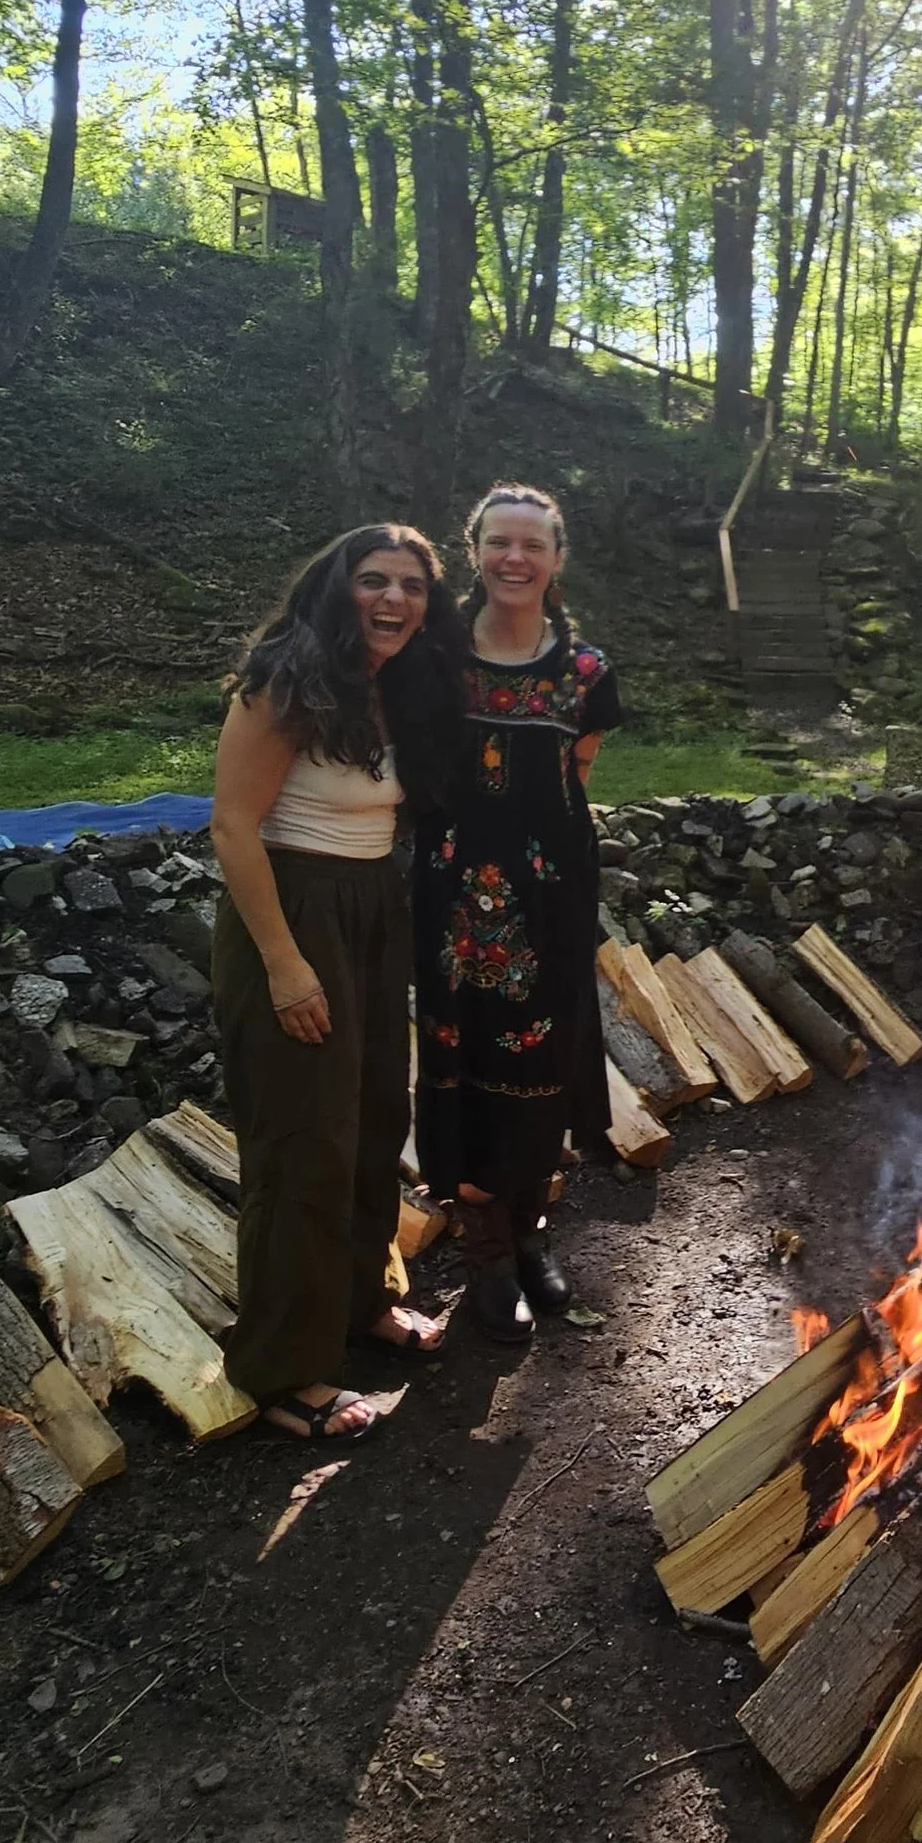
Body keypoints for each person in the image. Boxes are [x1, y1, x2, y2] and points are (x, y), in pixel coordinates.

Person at [209, 523, 466, 1441]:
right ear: (335, 587)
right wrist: (284, 965)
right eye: (373, 580)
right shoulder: (287, 676)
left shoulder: (393, 687)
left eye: (411, 585)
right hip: (293, 908)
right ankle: (283, 1369)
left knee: (369, 1123)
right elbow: (234, 825)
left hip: (370, 906)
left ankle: (361, 1304)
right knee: (302, 1140)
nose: (394, 599)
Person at [414, 482, 623, 1343]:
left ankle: (531, 1233)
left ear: (556, 558)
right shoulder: (433, 657)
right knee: (464, 1077)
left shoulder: (585, 672)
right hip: (455, 905)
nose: (514, 558)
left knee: (541, 1076)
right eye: (499, 542)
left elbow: (577, 779)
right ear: (473, 550)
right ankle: (484, 1252)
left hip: (550, 906)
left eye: (532, 545)